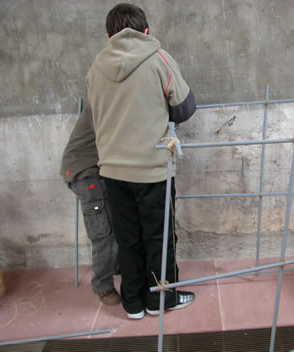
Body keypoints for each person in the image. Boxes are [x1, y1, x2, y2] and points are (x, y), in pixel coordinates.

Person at [85, 3, 196, 319]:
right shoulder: (158, 58)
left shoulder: (96, 67)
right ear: (145, 31)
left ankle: (132, 303)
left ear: (108, 35)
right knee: (159, 238)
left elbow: (95, 115)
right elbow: (185, 108)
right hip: (153, 169)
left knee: (127, 238)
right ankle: (161, 300)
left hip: (113, 171)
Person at [60, 103, 121, 305]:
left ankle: (116, 265)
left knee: (113, 223)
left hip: (94, 170)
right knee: (104, 233)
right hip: (86, 173)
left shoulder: (105, 94)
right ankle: (102, 286)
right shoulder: (105, 101)